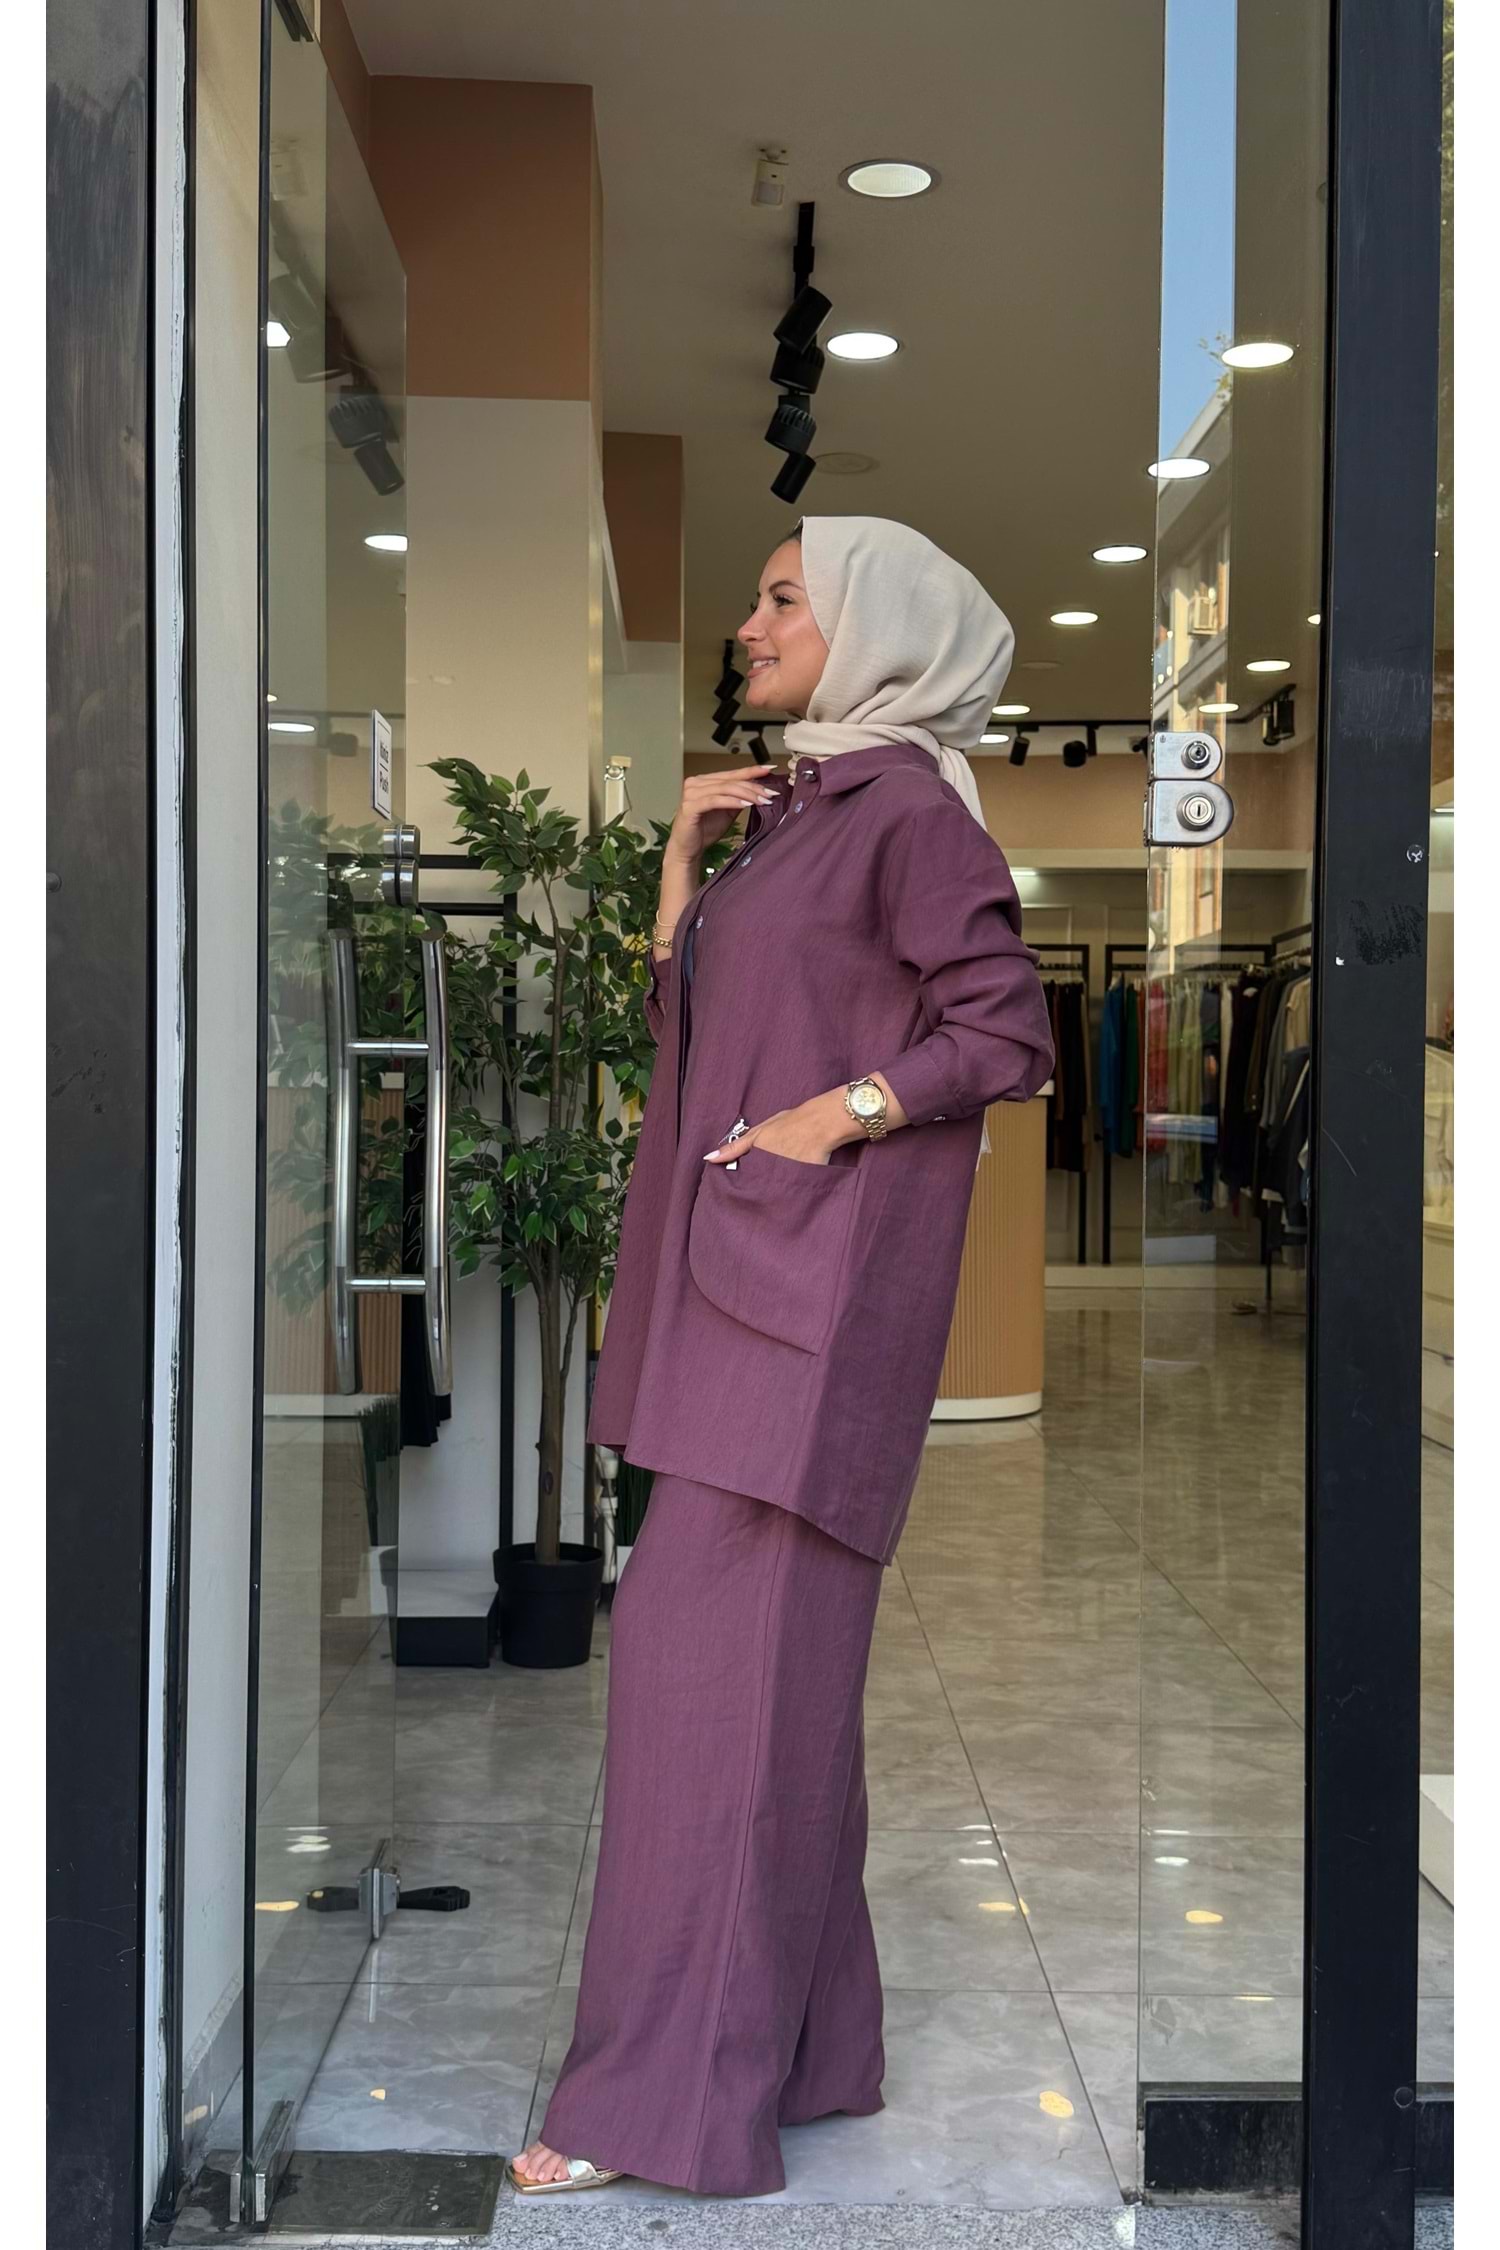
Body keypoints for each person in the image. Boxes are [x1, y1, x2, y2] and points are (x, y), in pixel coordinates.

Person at [508, 516, 1055, 2198]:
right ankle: (811, 2051)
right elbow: (711, 1031)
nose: (749, 625)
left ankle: (658, 2100)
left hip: (807, 1315)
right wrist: (682, 866)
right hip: (739, 1294)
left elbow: (1006, 1026)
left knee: (702, 1698)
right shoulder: (806, 811)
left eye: (781, 598)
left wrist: (841, 1111)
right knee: (772, 1694)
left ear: (873, 630)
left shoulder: (908, 815)